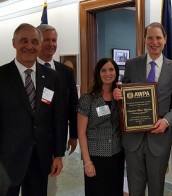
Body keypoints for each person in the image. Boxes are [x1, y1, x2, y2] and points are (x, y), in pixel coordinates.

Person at [113, 22, 172, 196]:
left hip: (159, 137)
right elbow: (125, 91)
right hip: (132, 139)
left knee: (156, 188)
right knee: (135, 188)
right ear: (145, 40)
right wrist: (118, 94)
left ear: (165, 40)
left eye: (158, 37)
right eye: (150, 37)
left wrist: (167, 121)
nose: (154, 42)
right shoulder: (131, 64)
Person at [0, 23, 65, 196]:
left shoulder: (51, 76)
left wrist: (58, 154)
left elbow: (58, 118)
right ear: (14, 43)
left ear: (40, 44)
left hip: (40, 157)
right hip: (6, 160)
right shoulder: (2, 76)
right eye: (24, 41)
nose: (29, 46)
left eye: (35, 42)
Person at [36, 24, 78, 195]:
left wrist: (73, 135)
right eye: (46, 40)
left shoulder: (66, 72)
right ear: (37, 41)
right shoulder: (29, 69)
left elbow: (72, 105)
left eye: (54, 40)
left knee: (51, 184)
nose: (51, 44)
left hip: (57, 137)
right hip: (32, 140)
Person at [77, 58, 124, 196]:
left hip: (116, 155)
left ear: (116, 72)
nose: (107, 73)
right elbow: (81, 132)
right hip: (96, 158)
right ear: (98, 73)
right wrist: (87, 162)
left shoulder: (120, 97)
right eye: (103, 70)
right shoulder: (88, 99)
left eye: (111, 69)